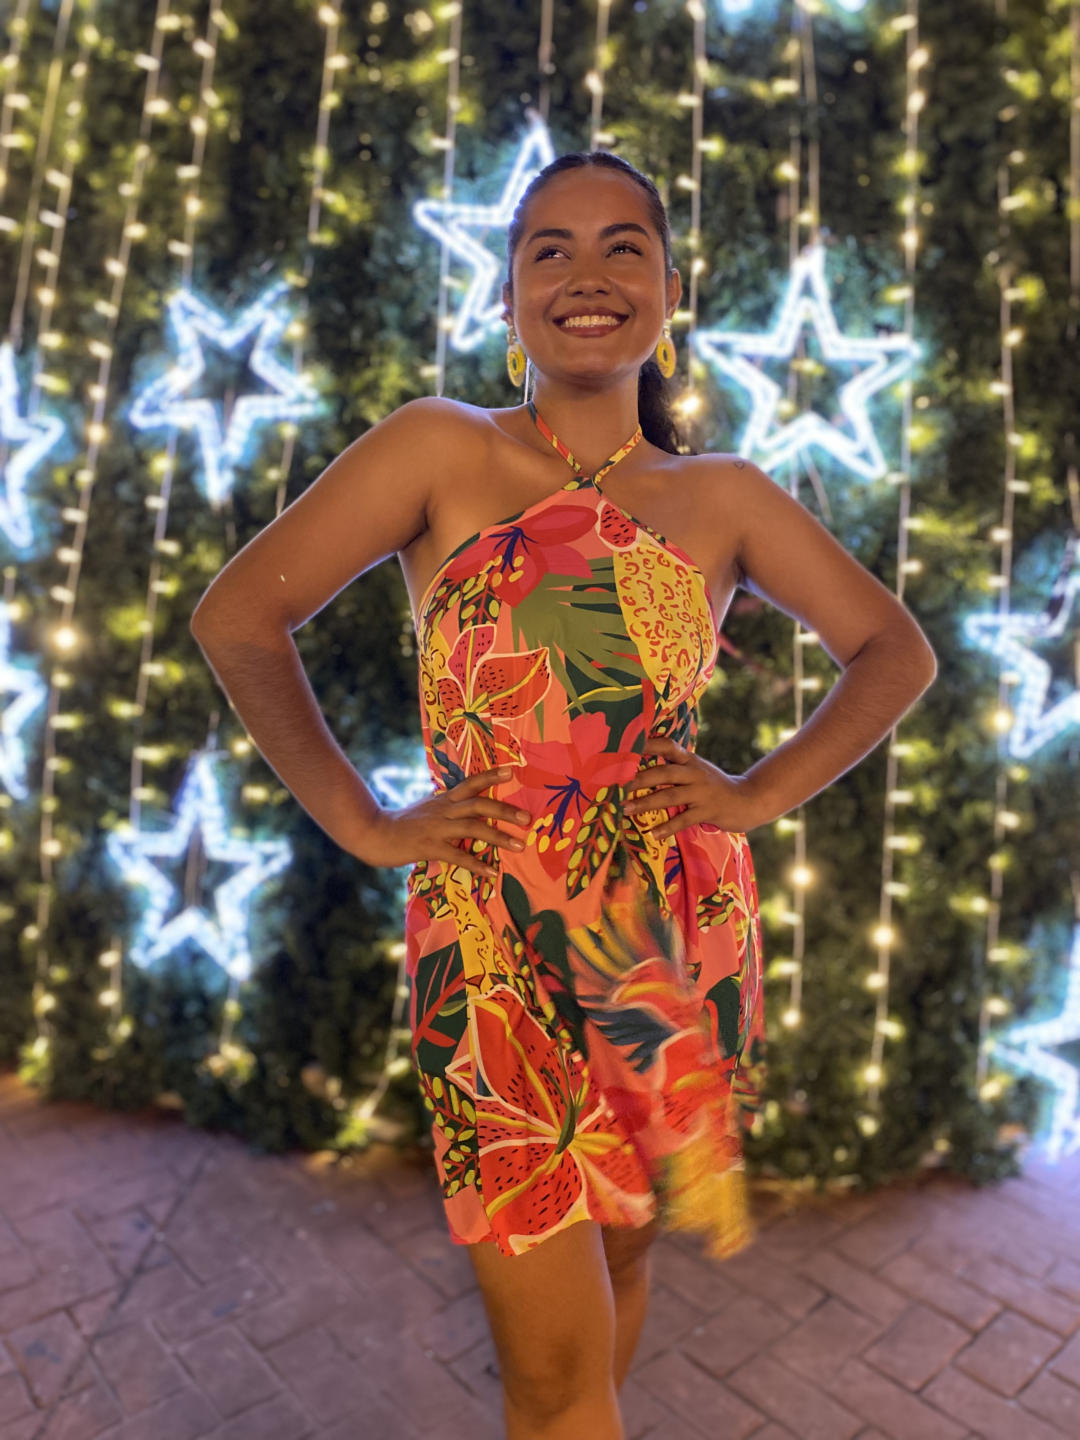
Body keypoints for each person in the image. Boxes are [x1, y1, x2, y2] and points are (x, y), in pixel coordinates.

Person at [190, 150, 937, 1440]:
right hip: (491, 947)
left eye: (622, 247)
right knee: (549, 1378)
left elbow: (894, 651)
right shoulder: (440, 447)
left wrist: (754, 796)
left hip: (668, 945)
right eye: (551, 249)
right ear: (508, 298)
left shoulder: (723, 496)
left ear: (670, 292)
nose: (588, 276)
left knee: (625, 1254)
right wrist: (362, 820)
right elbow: (239, 617)